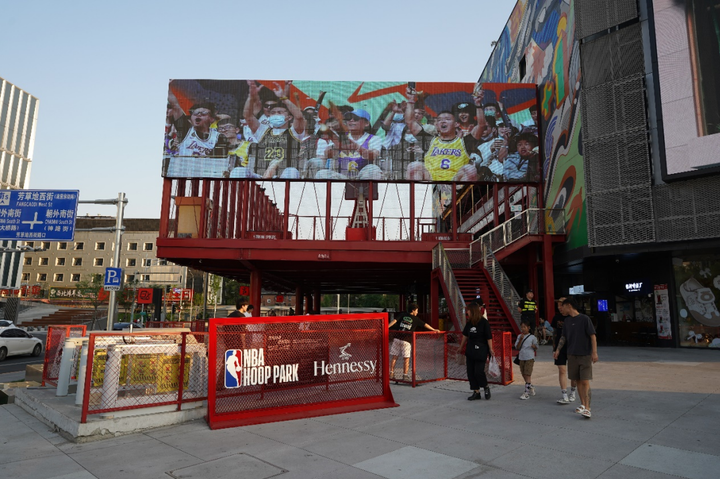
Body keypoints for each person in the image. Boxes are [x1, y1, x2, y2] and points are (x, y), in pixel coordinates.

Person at [404, 85, 486, 182]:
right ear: (437, 125)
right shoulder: (430, 141)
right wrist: (410, 100)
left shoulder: (465, 142)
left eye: (447, 119)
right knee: (414, 166)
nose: (443, 121)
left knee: (470, 169)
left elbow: (481, 125)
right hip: (431, 181)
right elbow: (410, 122)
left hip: (455, 183)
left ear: (456, 124)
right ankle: (419, 192)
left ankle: (463, 192)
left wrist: (478, 104)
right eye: (439, 120)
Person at [244, 80, 306, 179]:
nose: (276, 114)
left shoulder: (294, 132)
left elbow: (299, 117)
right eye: (273, 113)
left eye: (279, 112)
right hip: (261, 174)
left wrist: (284, 98)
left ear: (289, 117)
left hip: (284, 175)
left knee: (292, 171)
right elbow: (248, 116)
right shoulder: (263, 131)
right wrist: (251, 96)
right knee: (239, 171)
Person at [553, 297, 598, 419]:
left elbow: (593, 336)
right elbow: (563, 337)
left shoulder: (584, 319)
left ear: (569, 305)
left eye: (562, 306)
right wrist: (558, 350)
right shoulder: (567, 321)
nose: (561, 309)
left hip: (584, 355)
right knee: (577, 380)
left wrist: (594, 352)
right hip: (572, 355)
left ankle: (588, 408)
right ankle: (582, 404)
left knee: (585, 381)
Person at [388, 303, 439, 380]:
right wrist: (433, 329)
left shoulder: (402, 315)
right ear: (413, 310)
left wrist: (386, 327)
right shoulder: (416, 319)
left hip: (397, 338)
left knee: (394, 357)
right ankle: (405, 375)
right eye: (416, 310)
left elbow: (394, 321)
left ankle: (391, 373)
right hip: (406, 341)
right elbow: (425, 324)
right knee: (406, 358)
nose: (417, 312)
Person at [458, 302, 494, 400]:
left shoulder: (484, 322)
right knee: (470, 372)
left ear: (473, 311)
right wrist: (461, 347)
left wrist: (491, 349)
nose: (467, 312)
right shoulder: (469, 323)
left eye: (468, 310)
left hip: (481, 349)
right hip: (470, 349)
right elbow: (465, 335)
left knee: (478, 371)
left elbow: (489, 337)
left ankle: (485, 386)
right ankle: (476, 391)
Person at [552, 297, 577, 404]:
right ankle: (564, 395)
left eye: (561, 305)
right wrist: (554, 348)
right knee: (562, 370)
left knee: (573, 371)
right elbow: (554, 334)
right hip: (560, 348)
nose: (559, 308)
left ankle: (573, 392)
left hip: (572, 347)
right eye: (558, 306)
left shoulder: (574, 317)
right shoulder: (556, 318)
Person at [516, 319, 538, 399]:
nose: (523, 329)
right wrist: (521, 339)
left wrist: (534, 346)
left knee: (527, 374)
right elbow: (517, 347)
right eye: (522, 327)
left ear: (528, 327)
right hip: (522, 357)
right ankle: (530, 386)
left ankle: (526, 392)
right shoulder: (519, 336)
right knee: (523, 374)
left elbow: (537, 347)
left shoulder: (532, 337)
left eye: (524, 327)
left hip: (529, 357)